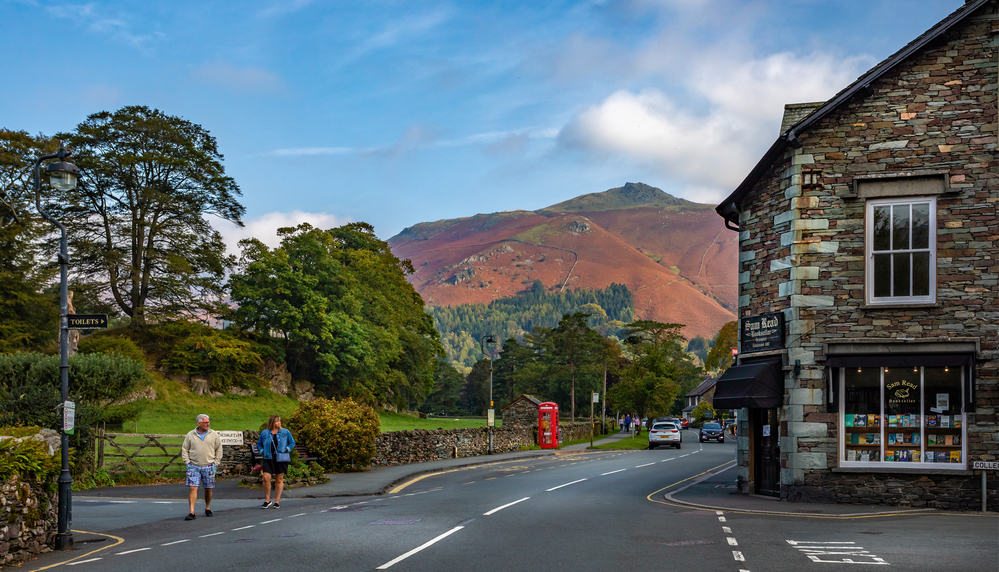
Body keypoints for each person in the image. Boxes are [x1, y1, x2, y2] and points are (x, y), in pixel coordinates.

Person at [181, 413, 222, 521]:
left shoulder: (213, 434)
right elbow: (185, 448)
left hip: (209, 465)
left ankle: (207, 507)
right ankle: (191, 512)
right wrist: (187, 462)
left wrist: (216, 462)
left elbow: (219, 448)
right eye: (205, 422)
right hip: (193, 466)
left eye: (208, 422)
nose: (208, 424)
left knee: (208, 488)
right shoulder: (191, 434)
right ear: (199, 423)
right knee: (193, 488)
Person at [258, 415, 296, 509]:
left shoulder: (285, 432)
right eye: (277, 421)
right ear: (272, 423)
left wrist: (287, 449)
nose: (279, 423)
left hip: (281, 458)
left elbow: (292, 443)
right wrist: (262, 451)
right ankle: (267, 500)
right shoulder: (265, 433)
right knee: (266, 477)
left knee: (279, 479)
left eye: (279, 421)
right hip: (268, 458)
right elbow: (259, 444)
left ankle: (277, 501)